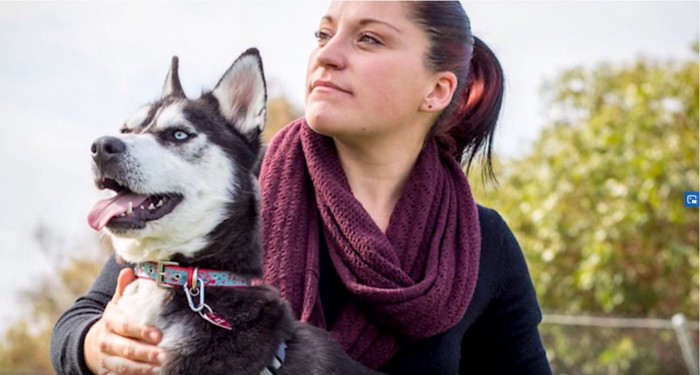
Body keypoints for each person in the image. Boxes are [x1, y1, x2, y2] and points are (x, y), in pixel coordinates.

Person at [50, 1, 552, 374]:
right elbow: (80, 322)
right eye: (323, 33)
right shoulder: (229, 188)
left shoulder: (482, 243)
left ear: (436, 89)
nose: (327, 56)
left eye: (369, 39)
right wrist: (98, 345)